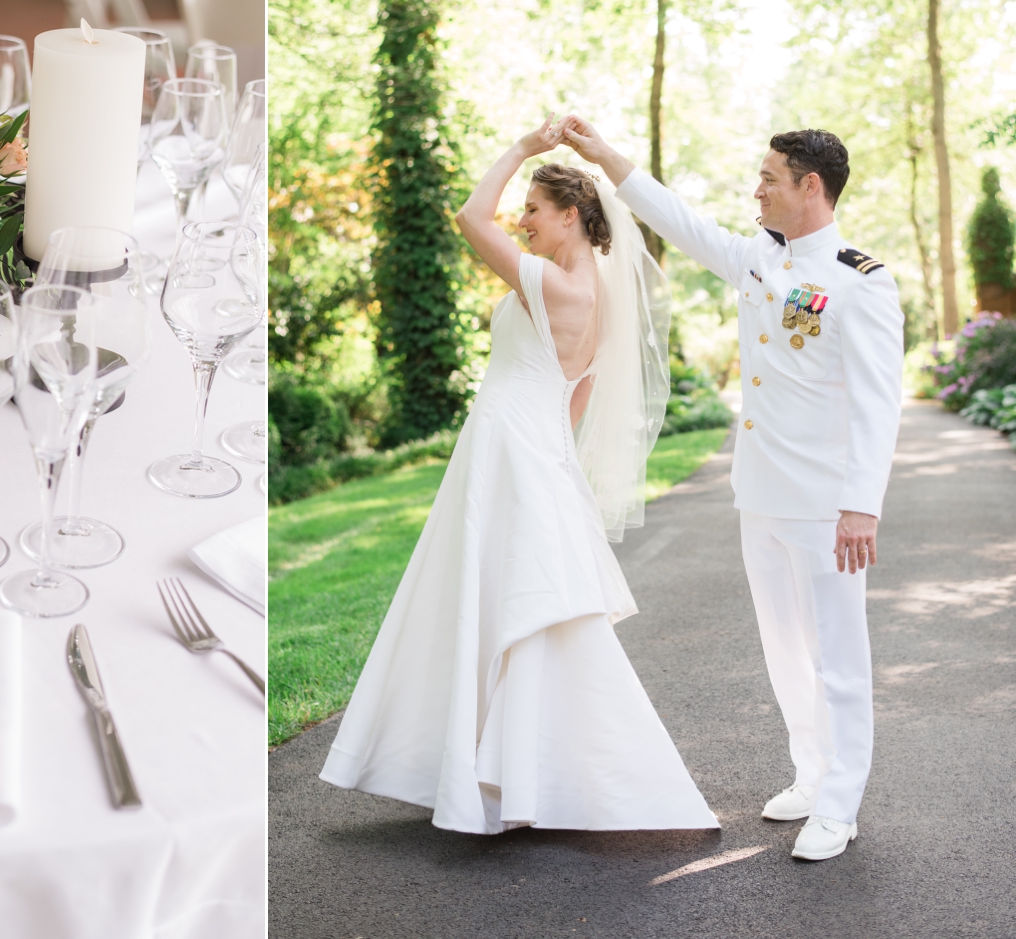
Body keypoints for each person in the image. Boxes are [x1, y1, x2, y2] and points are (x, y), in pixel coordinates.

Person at [319, 117, 718, 835]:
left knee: (503, 598)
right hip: (528, 446)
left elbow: (471, 218)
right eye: (523, 209)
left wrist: (522, 149)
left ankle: (517, 775)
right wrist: (555, 456)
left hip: (508, 445)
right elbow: (582, 390)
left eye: (533, 209)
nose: (521, 220)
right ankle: (512, 772)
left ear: (570, 216)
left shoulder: (556, 287)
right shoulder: (591, 292)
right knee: (514, 600)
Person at [561, 117, 903, 861]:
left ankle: (840, 805)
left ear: (810, 187)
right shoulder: (755, 259)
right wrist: (604, 156)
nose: (757, 189)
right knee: (784, 650)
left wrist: (861, 505)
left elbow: (880, 403)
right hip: (761, 496)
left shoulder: (859, 281)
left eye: (769, 179)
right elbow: (677, 220)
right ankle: (811, 775)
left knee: (839, 656)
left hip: (825, 505)